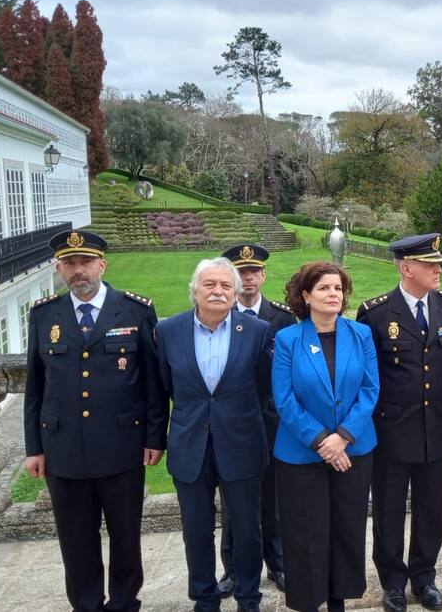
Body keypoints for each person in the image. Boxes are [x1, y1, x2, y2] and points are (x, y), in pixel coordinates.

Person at [23, 229, 168, 612]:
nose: (78, 270)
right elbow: (35, 387)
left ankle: (124, 603)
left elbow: (153, 381)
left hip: (122, 446)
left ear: (102, 264)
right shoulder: (44, 315)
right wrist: (34, 448)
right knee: (75, 539)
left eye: (85, 262)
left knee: (125, 537)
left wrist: (156, 436)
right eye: (69, 263)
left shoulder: (135, 310)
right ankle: (86, 605)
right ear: (59, 268)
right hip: (63, 449)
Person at [155, 257, 274, 612]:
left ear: (236, 294)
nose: (217, 291)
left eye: (225, 286)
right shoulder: (168, 331)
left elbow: (265, 388)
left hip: (242, 444)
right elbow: (162, 388)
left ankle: (248, 596)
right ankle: (205, 598)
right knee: (196, 530)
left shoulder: (257, 331)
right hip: (190, 445)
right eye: (209, 284)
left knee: (248, 530)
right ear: (194, 291)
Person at [356, 234, 442, 612]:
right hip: (391, 429)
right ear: (406, 268)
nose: (439, 269)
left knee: (432, 509)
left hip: (435, 424)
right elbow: (368, 375)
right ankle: (393, 583)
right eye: (430, 264)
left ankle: (424, 577)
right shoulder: (376, 313)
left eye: (439, 263)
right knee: (387, 510)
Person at [272, 262, 380, 612]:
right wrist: (322, 441)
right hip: (302, 455)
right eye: (324, 288)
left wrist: (344, 437)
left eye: (338, 288)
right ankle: (307, 600)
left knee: (345, 527)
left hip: (354, 450)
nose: (333, 294)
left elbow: (370, 388)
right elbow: (284, 399)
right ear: (305, 296)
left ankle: (338, 600)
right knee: (306, 531)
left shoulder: (360, 334)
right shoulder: (288, 338)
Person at [215, 243, 298, 598]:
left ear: (263, 275)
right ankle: (233, 569)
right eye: (241, 272)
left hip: (271, 419)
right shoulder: (217, 313)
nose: (248, 278)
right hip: (232, 421)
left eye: (254, 272)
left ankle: (277, 562)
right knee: (234, 500)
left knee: (273, 497)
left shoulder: (282, 318)